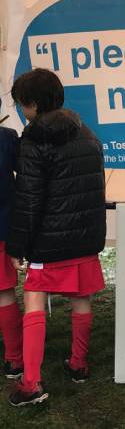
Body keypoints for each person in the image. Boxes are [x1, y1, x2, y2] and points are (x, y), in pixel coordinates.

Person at [6, 68, 106, 406]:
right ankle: (79, 364)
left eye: (22, 105)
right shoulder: (88, 134)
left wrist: (19, 247)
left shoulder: (34, 141)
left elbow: (29, 201)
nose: (21, 111)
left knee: (33, 297)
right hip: (85, 238)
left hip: (49, 242)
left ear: (33, 104)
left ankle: (31, 383)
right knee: (81, 298)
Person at [0, 99, 23, 380]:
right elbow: (25, 175)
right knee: (4, 294)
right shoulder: (7, 138)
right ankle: (14, 360)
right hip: (3, 227)